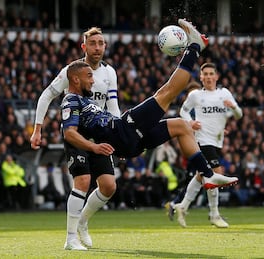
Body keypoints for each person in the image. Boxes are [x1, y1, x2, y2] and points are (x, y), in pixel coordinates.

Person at [61, 19, 238, 250]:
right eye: (88, 77)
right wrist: (95, 148)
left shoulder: (86, 100)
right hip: (121, 131)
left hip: (124, 137)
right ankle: (194, 47)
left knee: (181, 126)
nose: (93, 80)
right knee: (166, 93)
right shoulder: (71, 100)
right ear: (75, 79)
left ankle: (207, 174)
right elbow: (69, 134)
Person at [29, 27, 121, 250]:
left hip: (99, 134)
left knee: (109, 187)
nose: (97, 47)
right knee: (82, 181)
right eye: (93, 43)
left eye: (101, 43)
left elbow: (113, 107)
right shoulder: (72, 71)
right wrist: (37, 128)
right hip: (76, 131)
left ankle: (82, 222)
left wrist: (119, 136)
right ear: (84, 47)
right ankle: (70, 239)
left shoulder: (110, 73)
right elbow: (47, 95)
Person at [166, 62, 243, 228]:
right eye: (205, 74)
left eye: (211, 74)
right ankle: (214, 214)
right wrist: (190, 122)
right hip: (202, 140)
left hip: (217, 141)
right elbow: (183, 111)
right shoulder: (195, 95)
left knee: (201, 175)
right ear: (201, 78)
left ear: (216, 76)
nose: (208, 77)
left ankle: (182, 206)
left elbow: (238, 115)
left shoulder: (224, 94)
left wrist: (234, 107)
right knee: (215, 173)